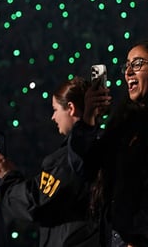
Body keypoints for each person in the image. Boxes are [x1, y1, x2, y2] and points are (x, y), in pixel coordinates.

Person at [0, 76, 99, 246]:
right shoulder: (101, 146)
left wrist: (7, 176)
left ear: (70, 108)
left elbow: (35, 202)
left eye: (55, 109)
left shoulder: (68, 160)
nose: (53, 117)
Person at [69, 40, 148, 247]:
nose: (128, 71)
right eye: (127, 65)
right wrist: (88, 118)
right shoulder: (124, 122)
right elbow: (84, 168)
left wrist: (139, 237)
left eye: (138, 63)